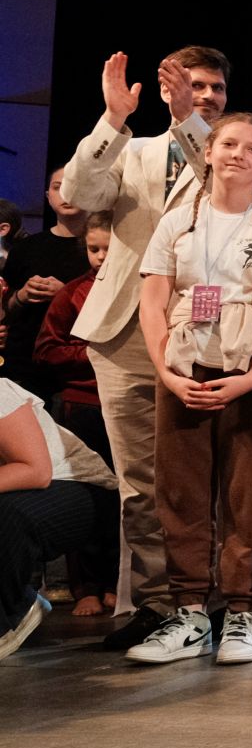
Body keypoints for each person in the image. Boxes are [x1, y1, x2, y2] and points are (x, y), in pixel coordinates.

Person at [58, 47, 226, 650]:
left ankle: (215, 601)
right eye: (194, 86)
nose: (205, 96)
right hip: (124, 330)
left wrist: (188, 121)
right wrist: (112, 119)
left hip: (206, 332)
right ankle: (157, 604)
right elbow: (78, 192)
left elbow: (222, 186)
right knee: (139, 480)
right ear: (163, 89)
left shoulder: (236, 152)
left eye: (215, 89)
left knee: (203, 476)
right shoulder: (133, 151)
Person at [128, 111, 252, 665]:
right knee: (181, 494)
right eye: (228, 144)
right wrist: (168, 373)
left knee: (245, 495)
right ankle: (189, 613)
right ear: (207, 151)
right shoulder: (177, 221)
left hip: (249, 372)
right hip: (183, 368)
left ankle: (242, 612)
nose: (237, 155)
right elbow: (154, 301)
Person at [32, 212, 116, 615]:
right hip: (82, 405)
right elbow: (46, 350)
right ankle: (85, 587)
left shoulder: (141, 289)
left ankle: (117, 583)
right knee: (88, 494)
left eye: (108, 249)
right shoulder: (73, 293)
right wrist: (94, 355)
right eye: (93, 249)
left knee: (126, 498)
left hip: (126, 402)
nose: (100, 257)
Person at [0, 377, 118, 662]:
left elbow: (36, 471)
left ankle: (11, 614)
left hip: (78, 486)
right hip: (20, 492)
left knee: (7, 514)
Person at [3, 168, 92, 401]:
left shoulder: (100, 250)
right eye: (57, 187)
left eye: (73, 185)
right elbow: (6, 308)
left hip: (77, 369)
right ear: (48, 196)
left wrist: (65, 295)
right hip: (23, 364)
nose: (66, 193)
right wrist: (21, 295)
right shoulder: (25, 248)